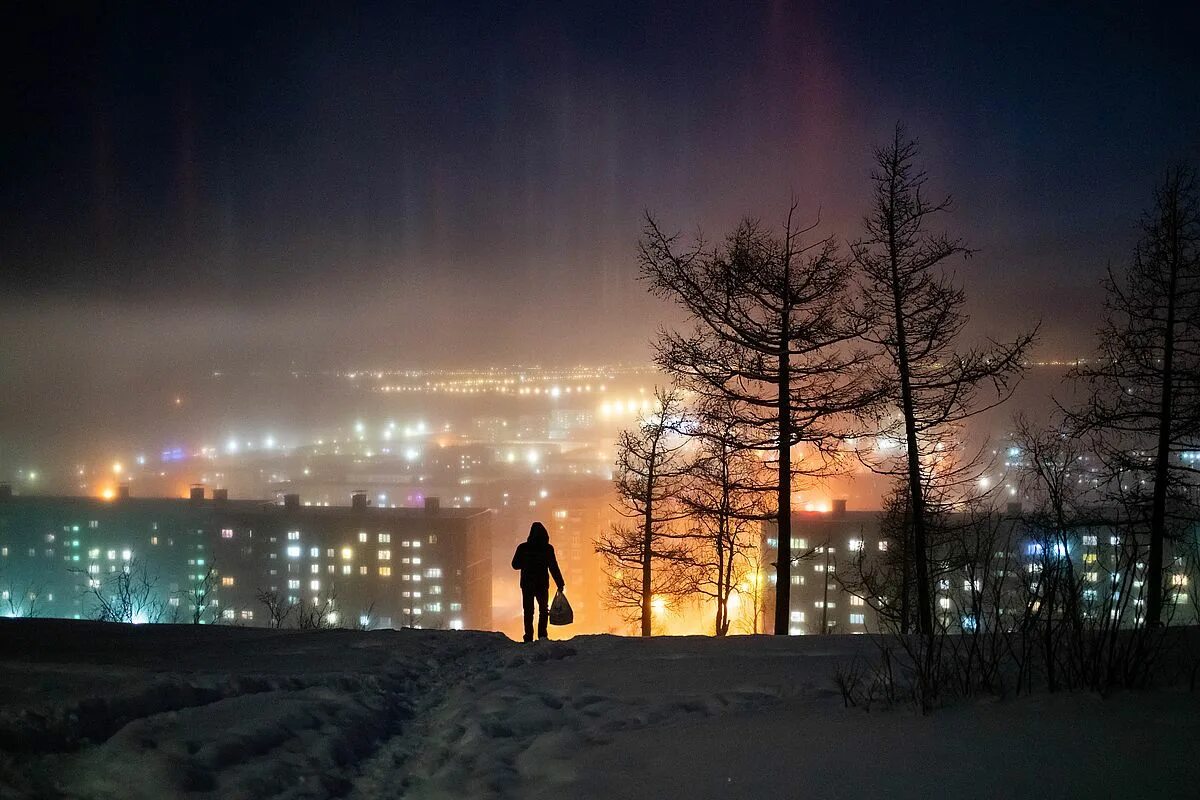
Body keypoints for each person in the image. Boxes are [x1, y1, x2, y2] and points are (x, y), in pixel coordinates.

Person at [511, 521, 565, 642]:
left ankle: (528, 636)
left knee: (528, 611)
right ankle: (542, 635)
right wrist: (560, 583)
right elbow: (553, 567)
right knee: (543, 610)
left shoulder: (523, 548)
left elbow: (515, 565)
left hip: (527, 584)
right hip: (542, 584)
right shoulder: (547, 549)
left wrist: (526, 562)